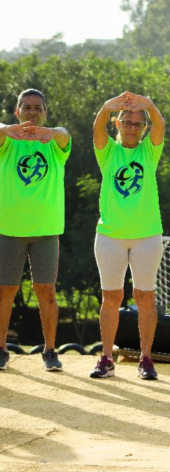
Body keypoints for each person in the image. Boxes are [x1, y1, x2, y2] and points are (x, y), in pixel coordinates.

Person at [89, 92, 165, 380]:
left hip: (147, 236)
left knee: (145, 297)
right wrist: (110, 105)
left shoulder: (149, 152)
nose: (132, 126)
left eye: (138, 123)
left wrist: (149, 104)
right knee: (111, 297)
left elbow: (160, 126)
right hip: (110, 235)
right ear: (117, 125)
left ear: (143, 129)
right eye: (127, 121)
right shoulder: (107, 152)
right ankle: (106, 358)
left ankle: (146, 359)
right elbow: (96, 127)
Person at [0, 89, 71, 373]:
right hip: (9, 229)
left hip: (46, 230)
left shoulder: (53, 143)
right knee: (5, 291)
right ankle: (1, 349)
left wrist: (50, 132)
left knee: (47, 292)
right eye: (26, 107)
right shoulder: (8, 142)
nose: (32, 112)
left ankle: (50, 351)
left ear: (45, 111)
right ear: (17, 112)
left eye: (37, 107)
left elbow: (65, 133)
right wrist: (8, 129)